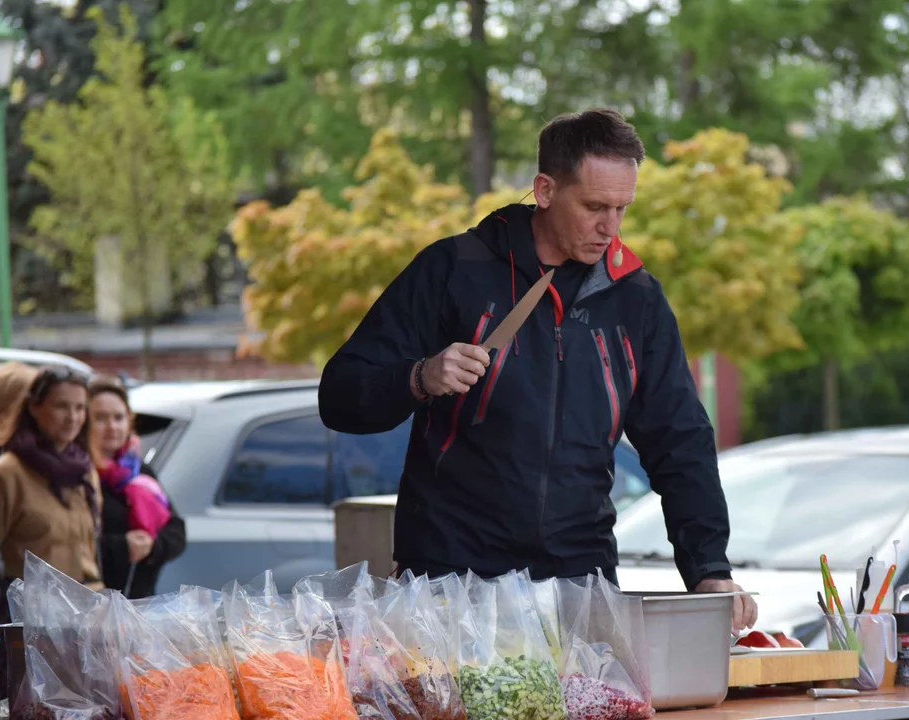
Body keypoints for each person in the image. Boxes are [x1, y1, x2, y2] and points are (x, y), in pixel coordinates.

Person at [319, 108, 757, 632]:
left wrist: (708, 568)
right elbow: (339, 395)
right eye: (595, 206)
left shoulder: (636, 298)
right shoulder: (454, 269)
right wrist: (420, 378)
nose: (610, 228)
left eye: (623, 208)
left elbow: (680, 440)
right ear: (545, 190)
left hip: (580, 586)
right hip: (451, 586)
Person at [0, 364, 103, 591]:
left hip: (89, 610)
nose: (72, 417)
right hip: (32, 615)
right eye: (61, 406)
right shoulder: (8, 473)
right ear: (33, 407)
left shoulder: (85, 471)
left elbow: (91, 552)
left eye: (80, 408)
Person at [88, 376, 186, 599]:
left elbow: (177, 530)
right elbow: (69, 545)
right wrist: (122, 547)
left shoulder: (139, 471)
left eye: (119, 417)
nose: (112, 426)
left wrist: (153, 546)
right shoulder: (79, 474)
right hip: (92, 604)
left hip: (140, 603)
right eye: (100, 418)